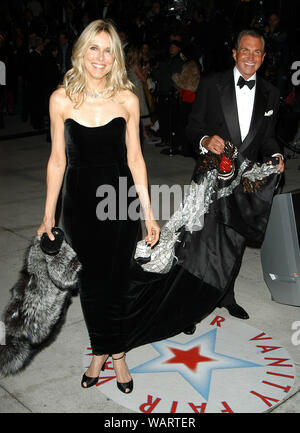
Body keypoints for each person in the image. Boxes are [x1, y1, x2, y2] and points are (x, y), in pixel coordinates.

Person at [37, 19, 160, 393]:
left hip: (120, 203)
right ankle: (105, 352)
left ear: (116, 57)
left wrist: (150, 214)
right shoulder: (61, 99)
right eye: (94, 48)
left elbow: (136, 158)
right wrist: (47, 215)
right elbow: (57, 160)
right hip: (78, 206)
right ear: (81, 51)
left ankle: (113, 355)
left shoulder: (127, 99)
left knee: (118, 282)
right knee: (90, 285)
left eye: (108, 50)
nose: (100, 57)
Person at [186, 29, 285, 326]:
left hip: (243, 183)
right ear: (234, 53)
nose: (250, 57)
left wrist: (277, 155)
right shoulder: (210, 85)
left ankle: (226, 295)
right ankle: (190, 304)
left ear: (264, 57)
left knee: (234, 241)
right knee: (199, 243)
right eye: (245, 50)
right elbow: (192, 126)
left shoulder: (271, 93)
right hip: (210, 176)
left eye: (257, 52)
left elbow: (267, 138)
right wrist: (205, 139)